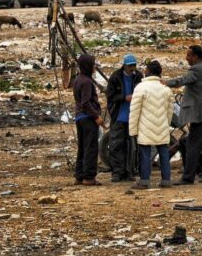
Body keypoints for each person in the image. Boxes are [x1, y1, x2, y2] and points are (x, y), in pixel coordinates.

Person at [167, 44, 202, 184]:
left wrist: (166, 82)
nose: (186, 58)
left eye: (189, 55)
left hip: (200, 115)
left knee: (192, 145)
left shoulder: (195, 70)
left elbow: (183, 80)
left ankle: (188, 177)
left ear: (196, 57)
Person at [128, 60, 174, 189]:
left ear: (147, 71)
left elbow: (134, 112)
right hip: (162, 125)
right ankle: (166, 180)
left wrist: (133, 130)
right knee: (164, 153)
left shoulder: (140, 88)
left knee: (145, 155)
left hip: (145, 127)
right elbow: (170, 111)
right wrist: (166, 123)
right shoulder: (166, 89)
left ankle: (144, 181)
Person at [105, 54, 142, 182]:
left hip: (133, 116)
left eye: (134, 65)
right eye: (130, 66)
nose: (132, 68)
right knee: (116, 145)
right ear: (125, 66)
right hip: (119, 116)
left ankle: (129, 171)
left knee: (132, 146)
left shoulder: (138, 77)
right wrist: (124, 97)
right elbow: (110, 95)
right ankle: (117, 172)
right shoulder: (116, 77)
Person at [72, 54, 103, 186]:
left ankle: (79, 176)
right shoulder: (86, 82)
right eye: (93, 64)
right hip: (88, 118)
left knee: (83, 147)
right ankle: (89, 177)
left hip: (80, 117)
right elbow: (86, 102)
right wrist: (96, 116)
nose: (94, 67)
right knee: (91, 147)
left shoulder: (78, 79)